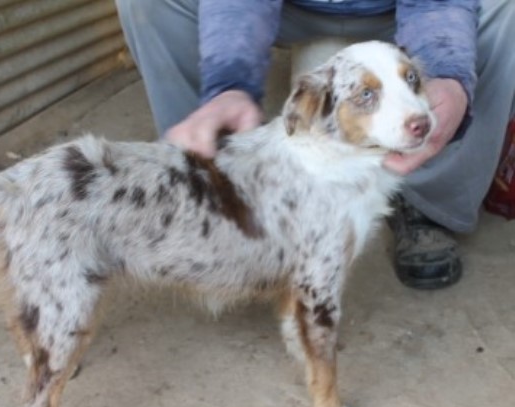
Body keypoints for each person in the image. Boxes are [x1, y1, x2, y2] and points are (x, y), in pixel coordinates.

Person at [115, 0, 515, 289]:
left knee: (504, 8)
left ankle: (429, 202)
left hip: (390, 11)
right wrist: (230, 79)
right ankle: (207, 183)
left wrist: (447, 72)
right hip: (292, 10)